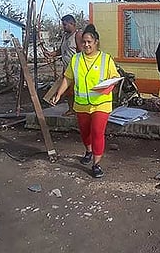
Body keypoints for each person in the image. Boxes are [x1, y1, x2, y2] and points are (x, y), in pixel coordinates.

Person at [51, 24, 119, 178]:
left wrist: (110, 85)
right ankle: (88, 151)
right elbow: (67, 78)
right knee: (85, 133)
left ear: (96, 42)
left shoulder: (106, 59)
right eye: (84, 42)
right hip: (81, 104)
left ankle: (96, 164)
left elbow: (114, 78)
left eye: (89, 42)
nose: (86, 45)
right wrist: (58, 94)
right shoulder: (75, 59)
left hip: (101, 103)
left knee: (97, 133)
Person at [44, 14, 82, 116]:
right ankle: (71, 109)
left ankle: (77, 109)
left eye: (65, 25)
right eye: (63, 25)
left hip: (76, 68)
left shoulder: (77, 35)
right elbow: (60, 50)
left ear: (72, 24)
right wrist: (51, 54)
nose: (63, 27)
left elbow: (81, 51)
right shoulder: (65, 36)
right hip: (66, 68)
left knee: (74, 91)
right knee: (69, 91)